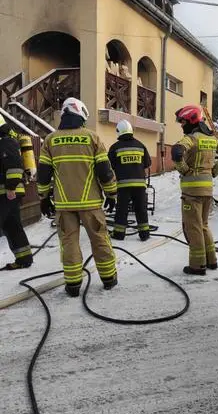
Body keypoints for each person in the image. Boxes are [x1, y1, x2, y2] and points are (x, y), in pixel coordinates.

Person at [37, 97, 117, 297]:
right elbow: (105, 171)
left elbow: (44, 173)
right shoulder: (92, 138)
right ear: (80, 114)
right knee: (100, 239)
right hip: (91, 203)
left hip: (64, 205)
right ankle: (108, 279)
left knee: (69, 243)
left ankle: (73, 286)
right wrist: (112, 193)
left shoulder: (50, 140)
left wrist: (44, 197)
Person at [172, 105, 218, 275]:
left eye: (182, 122)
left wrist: (184, 170)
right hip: (207, 191)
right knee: (204, 225)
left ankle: (197, 265)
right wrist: (214, 171)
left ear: (191, 120)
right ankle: (211, 260)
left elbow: (177, 151)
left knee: (194, 227)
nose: (182, 126)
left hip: (192, 192)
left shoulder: (192, 138)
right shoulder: (211, 139)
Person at [108, 120, 151, 241]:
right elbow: (147, 163)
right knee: (141, 209)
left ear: (119, 132)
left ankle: (119, 234)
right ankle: (144, 234)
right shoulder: (140, 145)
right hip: (139, 185)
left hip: (123, 185)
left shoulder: (115, 147)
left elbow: (109, 166)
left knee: (122, 209)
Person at [0, 114, 33, 270]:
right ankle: (24, 258)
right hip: (8, 192)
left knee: (10, 224)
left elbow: (13, 165)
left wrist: (11, 187)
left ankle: (24, 258)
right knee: (12, 225)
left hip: (6, 192)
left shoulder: (6, 142)